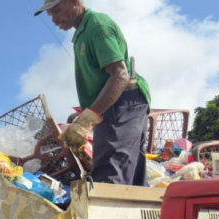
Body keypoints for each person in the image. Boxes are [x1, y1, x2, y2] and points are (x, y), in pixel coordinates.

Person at [34, 0, 152, 185]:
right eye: (51, 15)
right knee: (130, 171)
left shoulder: (97, 25)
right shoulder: (80, 33)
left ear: (74, 2)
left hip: (122, 101)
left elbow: (120, 74)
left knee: (110, 172)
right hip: (112, 106)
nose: (54, 19)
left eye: (56, 11)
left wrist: (87, 120)